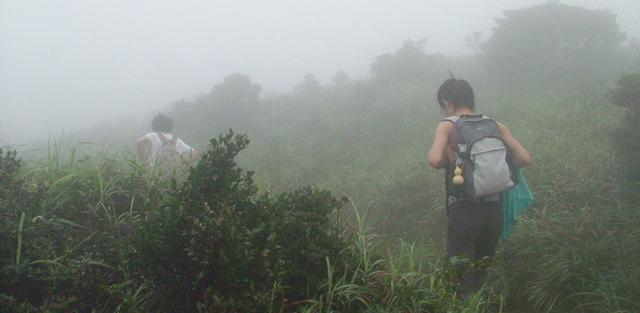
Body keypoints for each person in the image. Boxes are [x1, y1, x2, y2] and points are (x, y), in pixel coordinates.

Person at [427, 78, 531, 296]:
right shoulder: (495, 124)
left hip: (464, 211)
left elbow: (435, 160)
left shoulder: (448, 124)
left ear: (446, 102)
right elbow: (524, 158)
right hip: (494, 212)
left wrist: (457, 164)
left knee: (460, 277)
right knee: (482, 272)